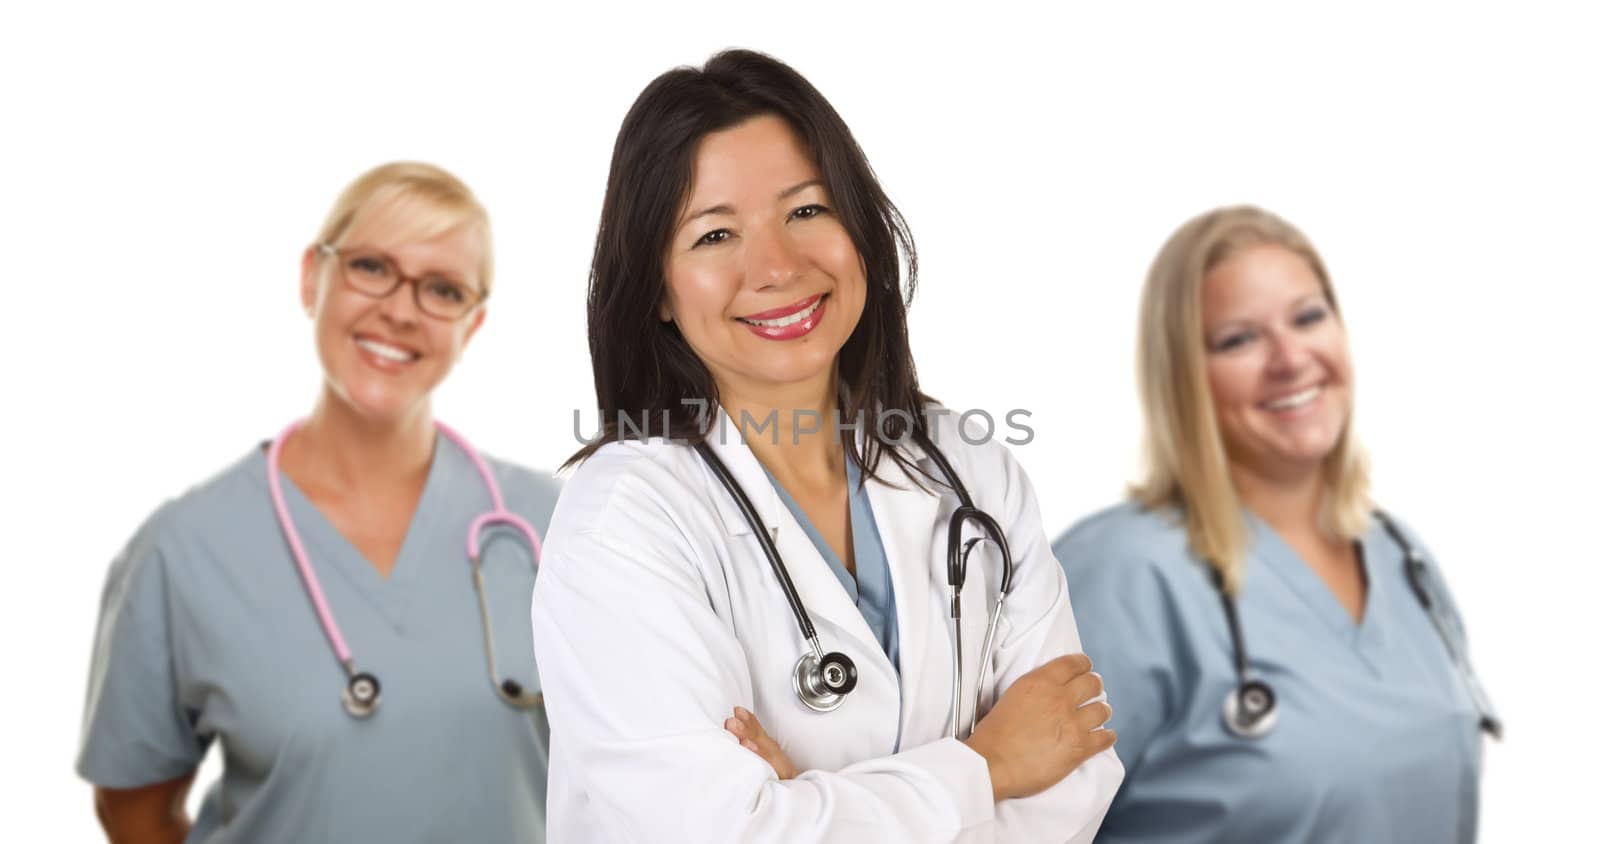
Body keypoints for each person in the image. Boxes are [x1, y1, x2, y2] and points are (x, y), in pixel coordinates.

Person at [532, 49, 1123, 842]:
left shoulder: (971, 469)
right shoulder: (626, 521)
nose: (776, 266)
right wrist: (989, 767)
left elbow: (1074, 771)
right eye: (713, 235)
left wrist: (809, 802)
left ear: (861, 230)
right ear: (659, 291)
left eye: (807, 211)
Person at [77, 162, 561, 842]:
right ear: (313, 277)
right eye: (370, 267)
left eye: (442, 289)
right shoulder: (181, 550)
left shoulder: (555, 525)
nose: (399, 309)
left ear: (471, 325)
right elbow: (134, 810)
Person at [1053, 205, 1496, 841]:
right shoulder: (1122, 576)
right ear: (1184, 376)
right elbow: (1015, 821)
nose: (1291, 359)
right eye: (1239, 339)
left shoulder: (1402, 558)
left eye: (1309, 317)